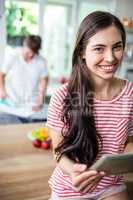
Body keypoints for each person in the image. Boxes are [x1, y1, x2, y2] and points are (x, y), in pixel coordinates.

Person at [46, 11, 133, 200]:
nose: (110, 58)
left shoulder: (130, 94)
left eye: (117, 47)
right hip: (70, 185)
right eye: (99, 49)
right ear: (82, 52)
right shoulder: (63, 96)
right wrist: (74, 171)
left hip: (110, 184)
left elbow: (129, 144)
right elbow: (58, 153)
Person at [0, 35, 49, 123]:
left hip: (31, 103)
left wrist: (41, 98)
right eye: (28, 52)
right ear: (24, 45)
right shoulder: (13, 55)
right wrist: (2, 90)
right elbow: (2, 74)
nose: (30, 55)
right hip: (12, 102)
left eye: (33, 53)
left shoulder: (41, 61)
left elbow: (44, 80)